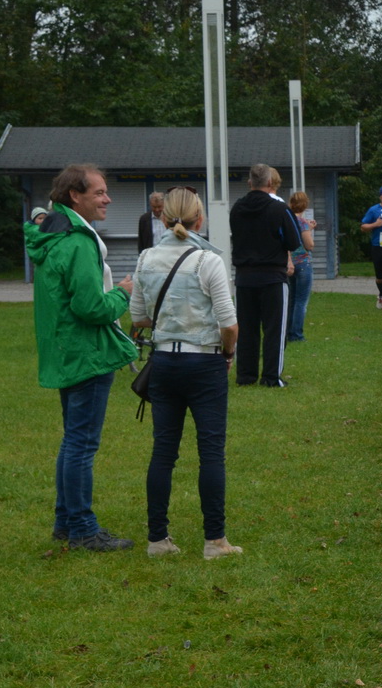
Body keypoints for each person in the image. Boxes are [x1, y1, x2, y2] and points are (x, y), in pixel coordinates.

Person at [26, 163, 136, 551]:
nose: (107, 199)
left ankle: (66, 522)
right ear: (76, 196)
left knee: (72, 440)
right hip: (86, 353)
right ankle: (84, 531)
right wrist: (123, 292)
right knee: (81, 445)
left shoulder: (52, 235)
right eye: (100, 192)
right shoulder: (78, 241)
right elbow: (92, 308)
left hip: (64, 350)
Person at [129, 186, 243, 560]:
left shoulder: (146, 258)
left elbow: (138, 316)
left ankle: (157, 539)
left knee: (163, 451)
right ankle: (215, 541)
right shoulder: (207, 260)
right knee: (211, 453)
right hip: (204, 361)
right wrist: (228, 353)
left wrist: (170, 318)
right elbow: (229, 323)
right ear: (200, 219)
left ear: (161, 218)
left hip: (163, 362)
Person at [228, 164, 300, 388]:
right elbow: (294, 241)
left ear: (250, 183)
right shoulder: (279, 210)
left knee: (247, 329)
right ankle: (271, 377)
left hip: (244, 277)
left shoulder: (237, 208)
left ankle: (246, 376)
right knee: (274, 329)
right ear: (270, 183)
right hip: (272, 276)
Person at [286, 191, 316, 343]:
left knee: (291, 300)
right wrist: (310, 232)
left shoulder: (287, 221)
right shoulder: (303, 222)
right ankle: (297, 334)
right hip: (303, 263)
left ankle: (288, 331)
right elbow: (308, 244)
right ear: (305, 205)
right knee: (301, 301)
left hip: (290, 263)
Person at [137, 191, 166, 255]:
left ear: (164, 204)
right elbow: (141, 243)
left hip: (167, 256)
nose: (157, 210)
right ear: (150, 204)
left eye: (159, 207)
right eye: (154, 207)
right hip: (150, 257)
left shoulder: (170, 218)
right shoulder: (144, 219)